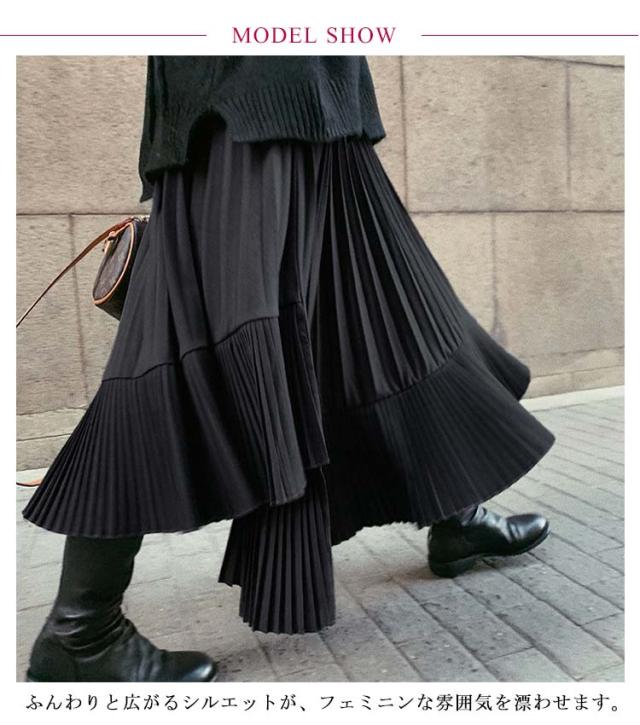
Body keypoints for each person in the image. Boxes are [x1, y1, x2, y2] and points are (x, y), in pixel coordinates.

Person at [21, 56, 555, 682]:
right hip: (238, 102)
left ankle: (456, 514)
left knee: (396, 316)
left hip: (326, 106)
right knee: (187, 356)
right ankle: (81, 630)